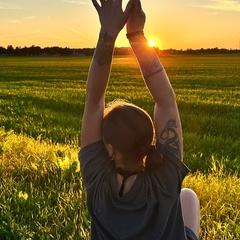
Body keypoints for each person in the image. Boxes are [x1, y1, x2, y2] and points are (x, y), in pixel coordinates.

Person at [79, 0, 200, 239]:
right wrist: (136, 35)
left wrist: (107, 33)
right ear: (150, 137)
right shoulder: (164, 178)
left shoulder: (97, 178)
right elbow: (166, 101)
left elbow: (94, 101)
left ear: (110, 149)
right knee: (188, 196)